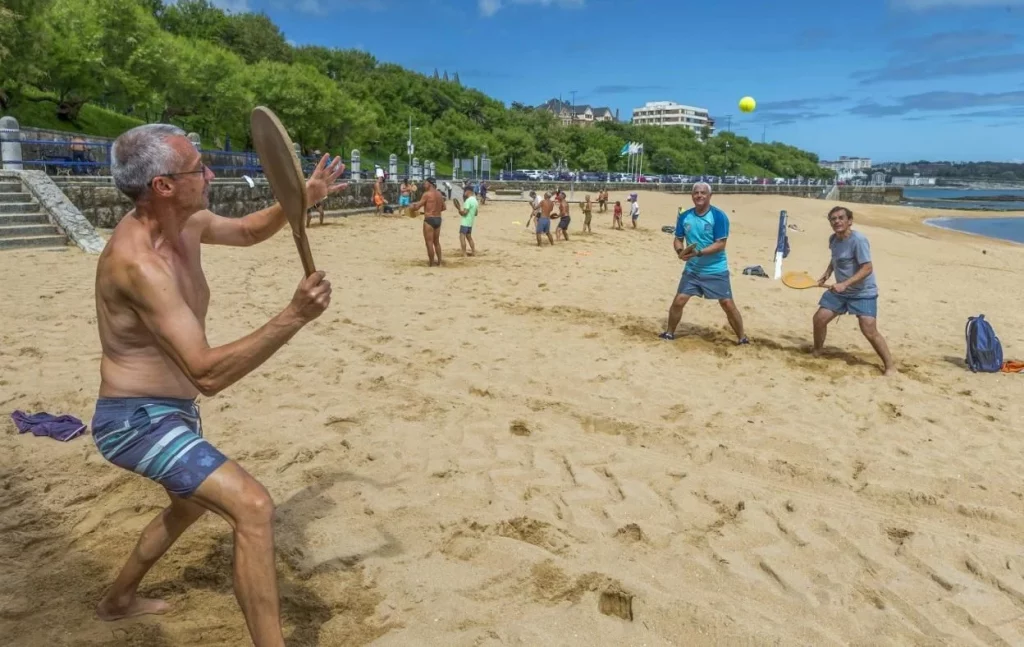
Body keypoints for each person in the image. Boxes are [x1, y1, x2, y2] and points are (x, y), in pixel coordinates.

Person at [89, 124, 345, 645]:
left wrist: (299, 200)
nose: (208, 174)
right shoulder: (138, 264)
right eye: (197, 169)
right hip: (136, 422)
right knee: (253, 506)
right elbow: (206, 373)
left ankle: (118, 600)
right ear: (162, 185)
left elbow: (250, 230)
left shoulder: (186, 220)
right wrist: (293, 316)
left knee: (188, 507)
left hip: (172, 411)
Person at [659, 182, 748, 345]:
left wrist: (698, 253)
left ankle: (742, 337)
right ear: (692, 196)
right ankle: (669, 333)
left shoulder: (718, 216)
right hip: (693, 269)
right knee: (679, 301)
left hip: (716, 269)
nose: (699, 195)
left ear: (709, 196)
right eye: (696, 193)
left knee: (727, 304)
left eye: (703, 193)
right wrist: (680, 252)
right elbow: (678, 239)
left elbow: (720, 244)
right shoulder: (685, 216)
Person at [813, 206, 895, 375]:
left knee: (869, 330)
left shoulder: (859, 240)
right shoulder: (833, 239)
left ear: (849, 221)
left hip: (862, 292)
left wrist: (845, 284)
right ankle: (818, 351)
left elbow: (867, 268)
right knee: (819, 319)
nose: (837, 221)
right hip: (841, 292)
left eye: (841, 218)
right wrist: (826, 274)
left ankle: (890, 367)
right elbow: (835, 259)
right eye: (833, 219)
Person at [407, 177, 446, 266]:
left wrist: (411, 208)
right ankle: (439, 262)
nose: (424, 185)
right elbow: (444, 207)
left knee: (429, 242)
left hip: (429, 220)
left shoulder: (427, 194)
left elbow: (417, 207)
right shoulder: (439, 194)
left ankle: (431, 263)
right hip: (438, 219)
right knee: (436, 242)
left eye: (425, 183)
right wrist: (434, 210)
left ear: (430, 184)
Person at [456, 184, 479, 256]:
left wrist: (460, 212)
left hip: (465, 222)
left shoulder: (468, 201)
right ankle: (473, 252)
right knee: (469, 238)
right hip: (470, 223)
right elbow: (476, 213)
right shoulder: (475, 201)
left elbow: (465, 213)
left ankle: (464, 253)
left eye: (464, 191)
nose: (464, 193)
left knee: (462, 237)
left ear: (468, 191)